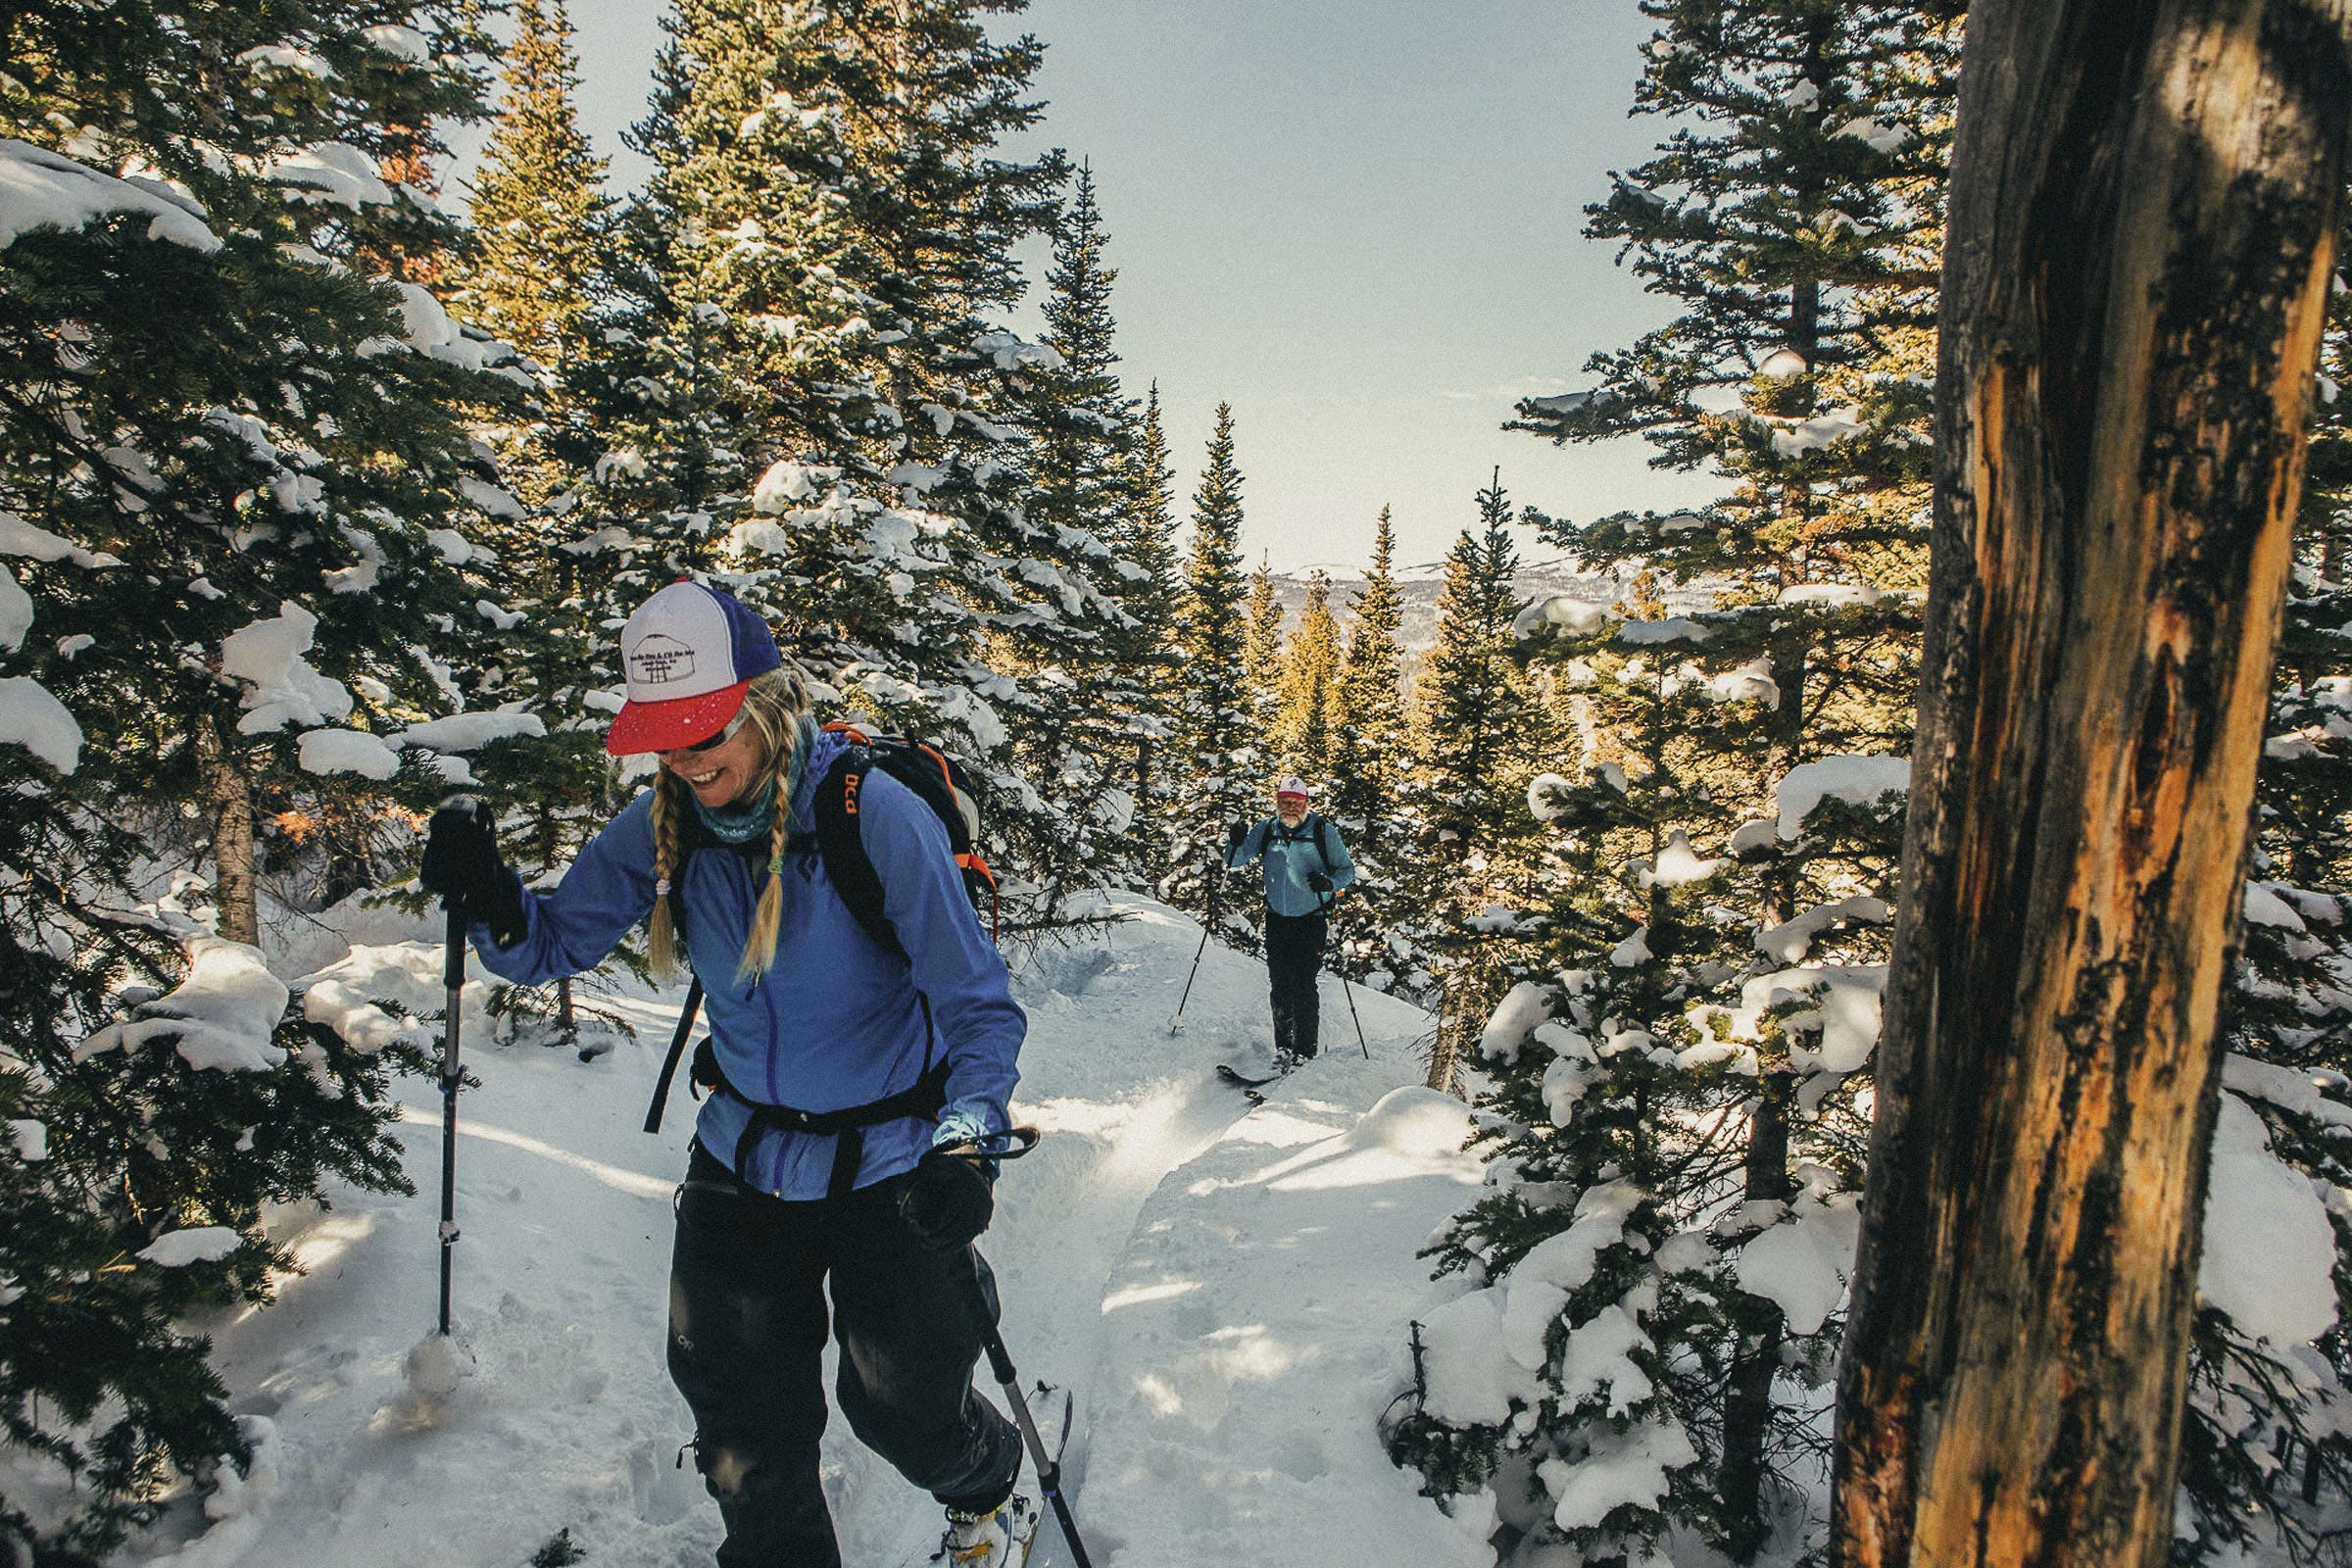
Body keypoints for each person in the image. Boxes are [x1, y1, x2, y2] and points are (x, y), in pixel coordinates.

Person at [419, 579, 1032, 1568]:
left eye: (705, 731)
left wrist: (967, 1147)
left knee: (903, 1411)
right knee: (745, 1440)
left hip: (894, 1161)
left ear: (767, 705)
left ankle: (987, 1482)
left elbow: (977, 1006)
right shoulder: (664, 821)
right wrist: (490, 895)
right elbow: (552, 943)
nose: (686, 758)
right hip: (744, 1159)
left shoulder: (870, 815)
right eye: (664, 737)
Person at [1224, 775, 1356, 1066]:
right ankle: (1284, 1048)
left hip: (1311, 919)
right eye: (1285, 802)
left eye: (1296, 803)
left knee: (1304, 984)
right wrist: (1234, 842)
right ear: (1277, 802)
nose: (1290, 808)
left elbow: (1347, 871)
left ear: (1306, 803)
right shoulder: (1266, 829)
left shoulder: (1323, 831)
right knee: (1280, 984)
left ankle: (1305, 1053)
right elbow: (1234, 861)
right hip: (1277, 920)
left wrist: (1329, 883)